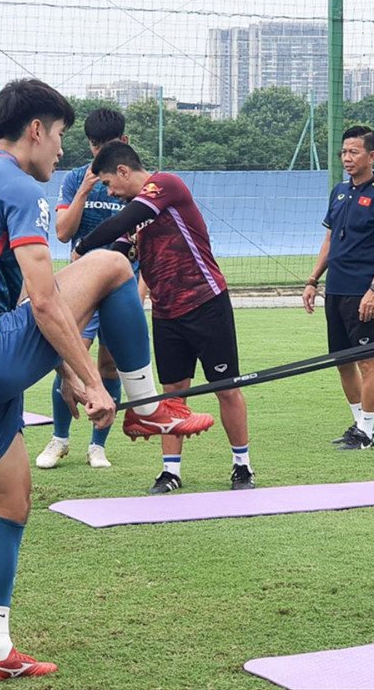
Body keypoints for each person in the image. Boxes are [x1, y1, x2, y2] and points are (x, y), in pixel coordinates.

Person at [0, 79, 206, 684]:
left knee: (12, 506)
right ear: (36, 131)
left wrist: (69, 370)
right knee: (111, 263)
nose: (61, 155)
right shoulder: (20, 186)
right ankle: (146, 404)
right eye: (61, 138)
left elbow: (19, 297)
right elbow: (46, 303)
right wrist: (93, 384)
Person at [76, 140, 253, 494]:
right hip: (166, 312)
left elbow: (122, 221)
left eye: (110, 183)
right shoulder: (133, 214)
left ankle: (242, 466)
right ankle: (170, 472)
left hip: (206, 302)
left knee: (227, 389)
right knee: (172, 396)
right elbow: (118, 256)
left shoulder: (165, 185)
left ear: (124, 171)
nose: (111, 192)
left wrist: (81, 249)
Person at [38, 106, 134, 470]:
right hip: (81, 289)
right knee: (69, 359)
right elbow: (63, 232)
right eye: (95, 146)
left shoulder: (133, 181)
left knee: (109, 368)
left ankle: (97, 446)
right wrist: (84, 190)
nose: (100, 153)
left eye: (107, 145)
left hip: (121, 289)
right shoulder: (75, 178)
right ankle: (59, 439)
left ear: (123, 143)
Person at [301, 125, 374, 450]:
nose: (347, 158)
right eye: (344, 152)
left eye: (354, 152)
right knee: (342, 360)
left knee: (367, 361)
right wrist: (313, 280)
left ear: (371, 156)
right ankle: (358, 424)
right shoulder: (339, 191)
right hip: (336, 289)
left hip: (364, 292)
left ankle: (367, 432)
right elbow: (329, 239)